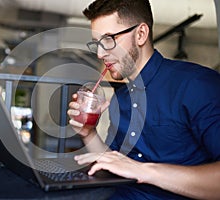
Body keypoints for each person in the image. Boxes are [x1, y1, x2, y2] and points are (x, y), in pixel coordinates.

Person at [67, 0, 220, 199]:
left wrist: (144, 171)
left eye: (108, 40)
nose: (100, 53)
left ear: (140, 34)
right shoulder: (119, 98)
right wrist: (88, 133)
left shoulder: (198, 85)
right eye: (97, 43)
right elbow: (112, 165)